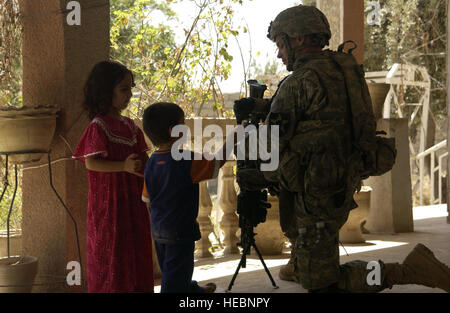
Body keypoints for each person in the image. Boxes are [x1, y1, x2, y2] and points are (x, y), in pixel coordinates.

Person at [235, 5, 450, 293]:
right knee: (311, 259)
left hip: (315, 192)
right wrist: (270, 107)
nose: (279, 53)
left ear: (297, 39)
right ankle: (303, 262)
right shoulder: (342, 70)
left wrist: (247, 143)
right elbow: (324, 116)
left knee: (323, 284)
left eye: (280, 44)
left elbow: (272, 147)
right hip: (339, 180)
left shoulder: (298, 82)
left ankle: (405, 270)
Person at [73, 61, 154, 293]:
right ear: (105, 90)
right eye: (123, 89)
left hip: (134, 204)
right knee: (112, 254)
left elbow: (143, 159)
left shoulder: (130, 127)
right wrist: (124, 167)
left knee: (136, 251)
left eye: (131, 88)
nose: (129, 94)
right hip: (109, 207)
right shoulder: (98, 127)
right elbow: (91, 162)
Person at [141, 102, 238, 293]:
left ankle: (191, 289)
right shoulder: (186, 159)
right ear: (174, 131)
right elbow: (217, 163)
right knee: (175, 276)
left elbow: (146, 199)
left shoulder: (152, 162)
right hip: (180, 230)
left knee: (172, 269)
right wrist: (233, 138)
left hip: (159, 229)